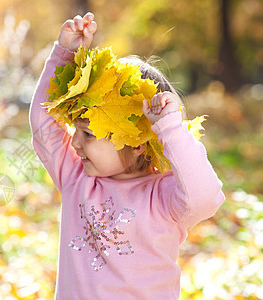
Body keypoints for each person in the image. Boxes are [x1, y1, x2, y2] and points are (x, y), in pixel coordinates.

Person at [29, 12, 225, 299]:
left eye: (89, 134)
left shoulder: (163, 197)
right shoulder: (76, 179)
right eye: (76, 129)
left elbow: (206, 199)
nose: (74, 142)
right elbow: (43, 124)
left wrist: (169, 128)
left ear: (136, 142)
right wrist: (65, 54)